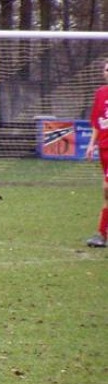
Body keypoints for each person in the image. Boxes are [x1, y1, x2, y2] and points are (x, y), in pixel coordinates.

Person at [84, 59, 108, 248]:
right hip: (104, 148)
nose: (107, 72)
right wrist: (91, 144)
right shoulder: (101, 93)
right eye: (106, 69)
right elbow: (97, 122)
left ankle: (101, 233)